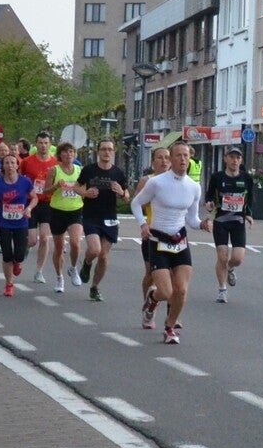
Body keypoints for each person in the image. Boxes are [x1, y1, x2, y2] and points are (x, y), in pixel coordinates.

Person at [130, 142, 202, 344]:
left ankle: (169, 328)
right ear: (171, 159)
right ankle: (153, 299)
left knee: (181, 290)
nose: (183, 159)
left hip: (179, 241)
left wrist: (203, 224)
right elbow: (136, 203)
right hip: (158, 240)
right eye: (178, 155)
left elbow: (192, 219)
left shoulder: (194, 187)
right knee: (166, 292)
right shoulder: (157, 183)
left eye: (186, 155)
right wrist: (143, 224)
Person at [75, 138, 129, 302]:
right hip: (91, 216)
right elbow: (76, 187)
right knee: (94, 250)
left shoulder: (118, 173)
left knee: (104, 256)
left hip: (110, 217)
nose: (107, 152)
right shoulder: (89, 170)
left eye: (110, 149)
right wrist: (85, 193)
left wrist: (121, 192)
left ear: (113, 152)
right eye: (104, 149)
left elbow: (126, 196)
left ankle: (95, 287)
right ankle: (87, 262)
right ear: (98, 152)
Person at [204, 146, 254, 302]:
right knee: (222, 257)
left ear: (241, 160)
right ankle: (222, 290)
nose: (235, 160)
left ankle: (230, 268)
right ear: (225, 159)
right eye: (232, 157)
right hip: (221, 221)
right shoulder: (217, 177)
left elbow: (250, 198)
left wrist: (249, 214)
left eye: (238, 158)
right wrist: (209, 204)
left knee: (237, 258)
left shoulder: (246, 178)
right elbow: (209, 196)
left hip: (238, 222)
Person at [134, 147, 172, 328]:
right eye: (160, 158)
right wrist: (143, 223)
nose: (164, 161)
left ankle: (172, 315)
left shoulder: (178, 180)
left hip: (173, 235)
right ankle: (148, 307)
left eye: (167, 158)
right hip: (152, 234)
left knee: (173, 276)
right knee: (150, 275)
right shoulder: (147, 181)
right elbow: (136, 204)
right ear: (153, 162)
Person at [42, 141, 85, 293]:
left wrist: (85, 193)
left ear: (75, 154)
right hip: (57, 211)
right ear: (60, 154)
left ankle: (73, 268)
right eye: (65, 152)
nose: (68, 154)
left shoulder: (80, 170)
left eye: (71, 151)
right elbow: (45, 191)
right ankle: (59, 277)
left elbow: (84, 189)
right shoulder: (54, 170)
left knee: (75, 243)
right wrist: (56, 186)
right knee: (59, 248)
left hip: (76, 210)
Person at [0, 151, 36, 297]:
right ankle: (9, 284)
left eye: (13, 163)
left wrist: (29, 208)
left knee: (19, 254)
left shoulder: (25, 182)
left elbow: (34, 197)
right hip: (3, 223)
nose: (10, 165)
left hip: (21, 223)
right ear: (3, 166)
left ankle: (18, 261)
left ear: (17, 166)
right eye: (7, 163)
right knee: (6, 255)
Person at [18, 132, 58, 284]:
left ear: (50, 144)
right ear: (36, 144)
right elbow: (19, 179)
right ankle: (25, 248)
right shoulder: (27, 162)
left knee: (45, 238)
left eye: (46, 143)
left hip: (48, 203)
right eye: (40, 143)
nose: (43, 146)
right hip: (31, 202)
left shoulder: (55, 163)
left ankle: (39, 271)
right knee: (32, 240)